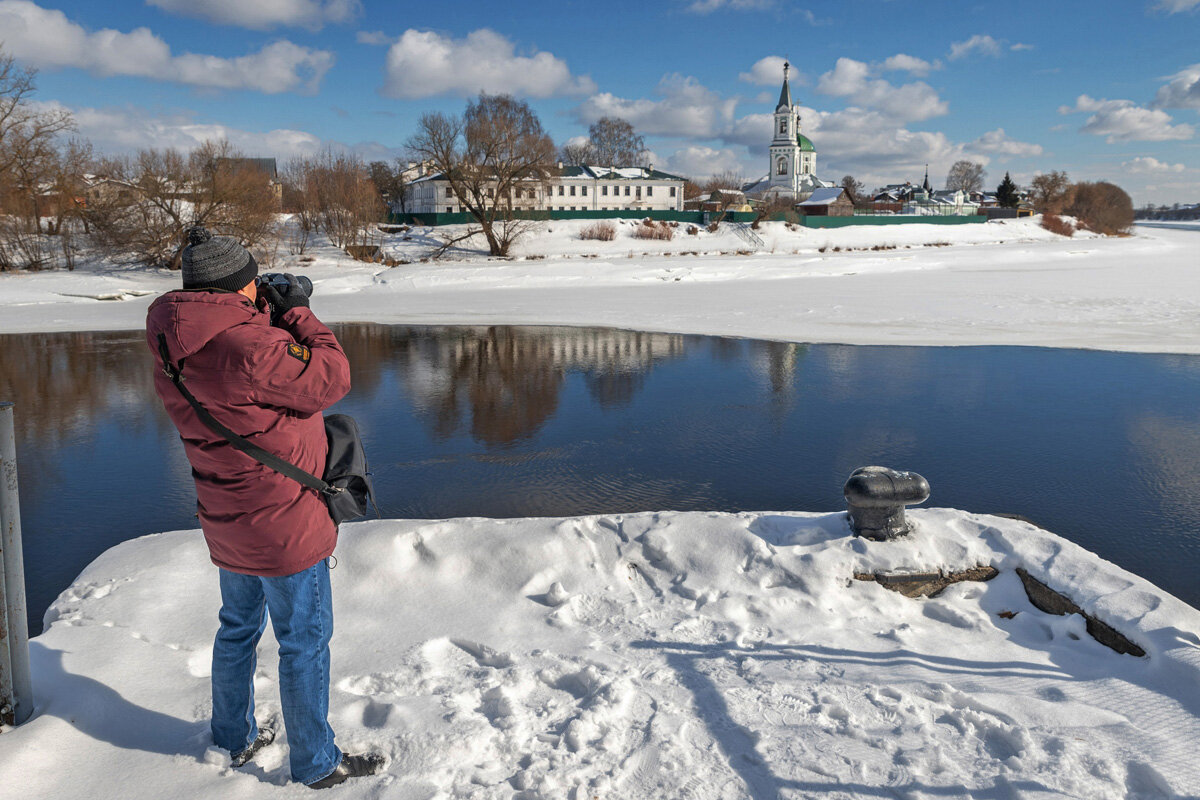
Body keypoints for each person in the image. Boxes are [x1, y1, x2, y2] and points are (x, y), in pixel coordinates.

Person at [145, 227, 384, 789]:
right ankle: (317, 765)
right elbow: (332, 377)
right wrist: (298, 310)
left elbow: (243, 383)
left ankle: (233, 736)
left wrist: (261, 313)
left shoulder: (172, 339)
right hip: (286, 523)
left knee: (236, 629)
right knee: (303, 642)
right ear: (238, 288)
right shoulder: (249, 347)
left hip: (228, 517)